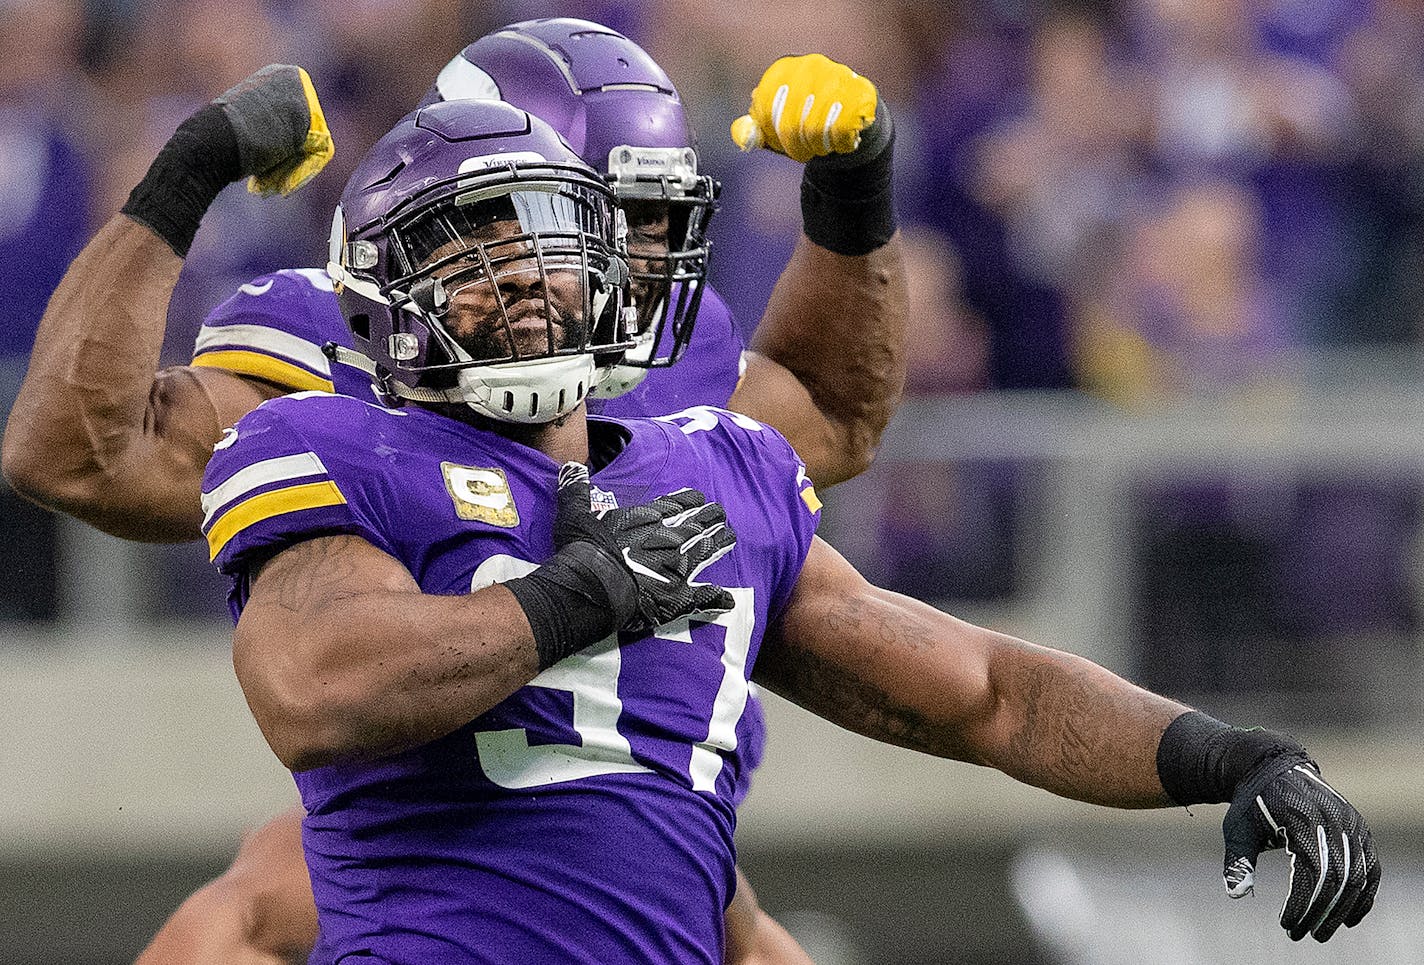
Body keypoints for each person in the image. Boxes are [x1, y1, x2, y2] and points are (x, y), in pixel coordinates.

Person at [203, 98, 1377, 962]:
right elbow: (316, 690)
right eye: (464, 253)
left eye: (542, 240)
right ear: (375, 299)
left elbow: (981, 689)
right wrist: (575, 598)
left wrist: (1230, 755)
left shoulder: (717, 473)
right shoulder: (336, 448)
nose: (517, 278)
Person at [3, 24, 905, 963]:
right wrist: (184, 179)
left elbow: (834, 418)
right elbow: (75, 455)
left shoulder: (661, 354)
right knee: (254, 905)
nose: (637, 260)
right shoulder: (355, 340)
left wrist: (853, 196)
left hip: (651, 797)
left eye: (651, 218)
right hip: (441, 790)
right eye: (607, 215)